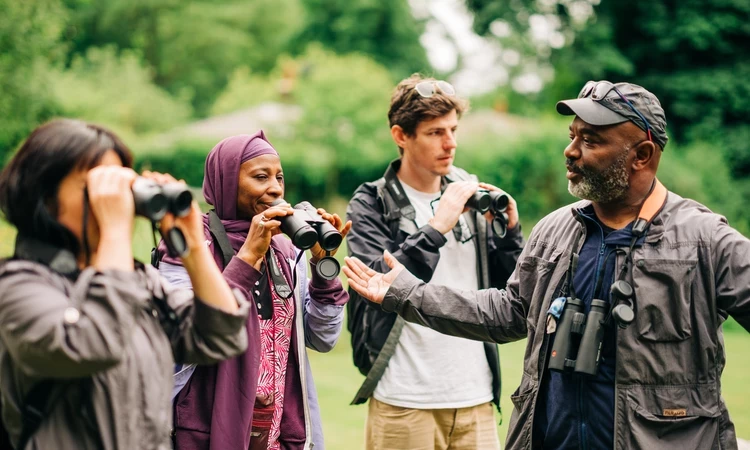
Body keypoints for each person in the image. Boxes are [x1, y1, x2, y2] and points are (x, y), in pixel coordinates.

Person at [343, 81, 750, 450]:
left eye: (590, 141)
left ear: (641, 155)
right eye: (572, 136)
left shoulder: (703, 239)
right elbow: (510, 312)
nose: (570, 151)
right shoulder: (556, 228)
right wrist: (408, 293)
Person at [0, 119, 249, 450]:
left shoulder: (136, 281)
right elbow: (92, 342)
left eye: (121, 189)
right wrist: (116, 230)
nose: (115, 201)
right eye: (99, 187)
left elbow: (220, 336)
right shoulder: (17, 286)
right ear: (44, 196)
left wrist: (192, 243)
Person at [345, 74, 524, 450]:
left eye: (454, 130)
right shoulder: (372, 202)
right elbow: (376, 284)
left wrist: (510, 232)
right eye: (434, 132)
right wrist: (438, 226)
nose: (450, 143)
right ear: (401, 135)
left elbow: (512, 293)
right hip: (405, 398)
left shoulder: (472, 196)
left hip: (475, 395)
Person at [158, 131, 350, 450]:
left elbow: (324, 338)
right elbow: (189, 339)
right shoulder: (189, 245)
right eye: (260, 177)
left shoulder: (287, 249)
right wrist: (248, 256)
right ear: (227, 181)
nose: (274, 187)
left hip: (279, 435)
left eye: (279, 177)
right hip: (202, 433)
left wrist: (322, 266)